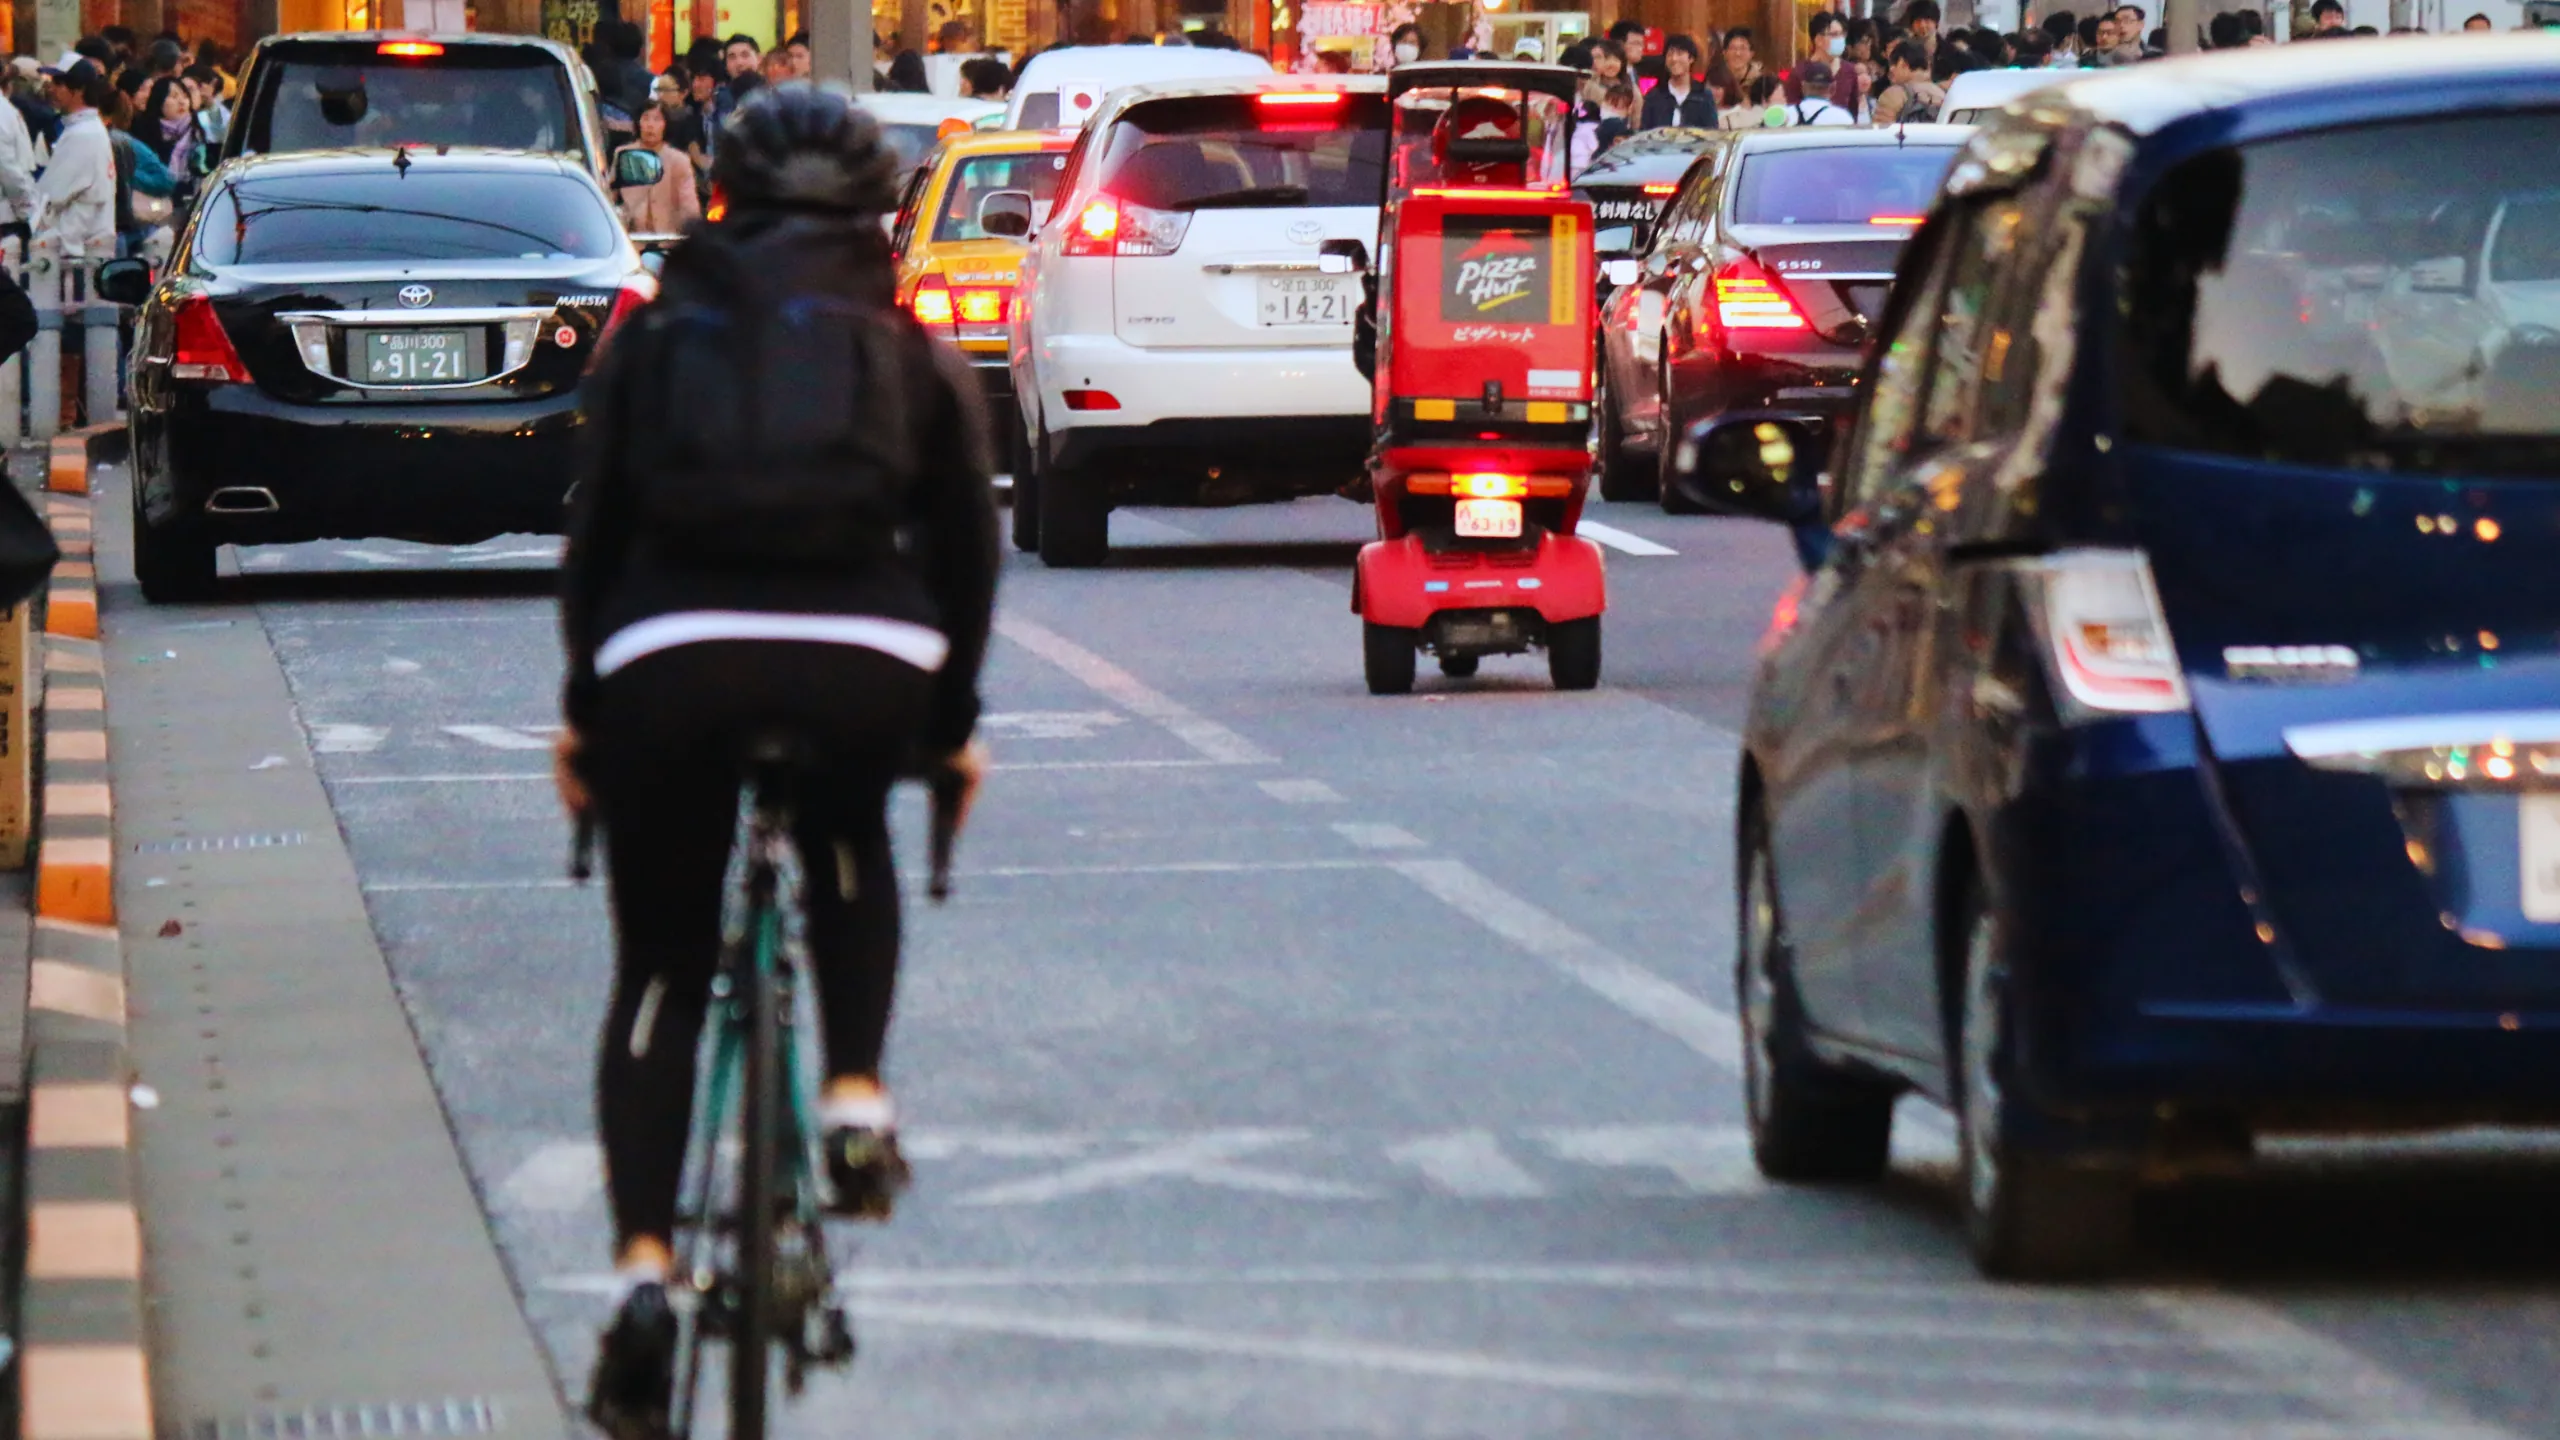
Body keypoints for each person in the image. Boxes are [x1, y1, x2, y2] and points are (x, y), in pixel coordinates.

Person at [564, 83, 998, 1437]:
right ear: (877, 211)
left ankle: (644, 1279)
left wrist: (587, 713)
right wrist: (948, 723)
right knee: (846, 830)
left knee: (661, 965)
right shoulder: (908, 345)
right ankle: (855, 1096)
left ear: (724, 199)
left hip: (668, 658)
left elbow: (596, 535)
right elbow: (967, 546)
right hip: (862, 657)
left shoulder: (655, 334)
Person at [37, 61, 115, 260]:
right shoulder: (85, 128)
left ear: (79, 89)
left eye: (59, 83)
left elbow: (50, 194)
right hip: (83, 247)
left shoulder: (83, 133)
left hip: (74, 252)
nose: (52, 89)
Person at [614, 103, 700, 234]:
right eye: (646, 118)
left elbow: (690, 208)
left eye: (657, 119)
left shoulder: (679, 160)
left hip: (669, 237)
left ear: (666, 125)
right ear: (638, 123)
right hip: (632, 236)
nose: (650, 125)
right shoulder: (623, 154)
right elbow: (608, 195)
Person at [1638, 33, 1715, 129]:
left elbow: (1712, 131)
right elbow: (1645, 132)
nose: (1674, 59)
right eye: (1670, 54)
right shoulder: (1654, 96)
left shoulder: (1703, 96)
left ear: (1691, 58)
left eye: (1679, 53)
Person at [1869, 39, 1944, 125]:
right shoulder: (1944, 94)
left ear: (1902, 63)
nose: (1890, 70)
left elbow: (1881, 130)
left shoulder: (1894, 94)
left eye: (1893, 63)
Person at [1705, 26, 1762, 112]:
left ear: (1751, 53)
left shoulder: (1760, 82)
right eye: (1733, 48)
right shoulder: (1714, 79)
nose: (1737, 53)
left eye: (1743, 48)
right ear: (1724, 53)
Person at [1785, 61, 1853, 125]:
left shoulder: (1784, 116)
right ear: (1833, 88)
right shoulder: (1842, 117)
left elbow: (1782, 74)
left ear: (1803, 86)